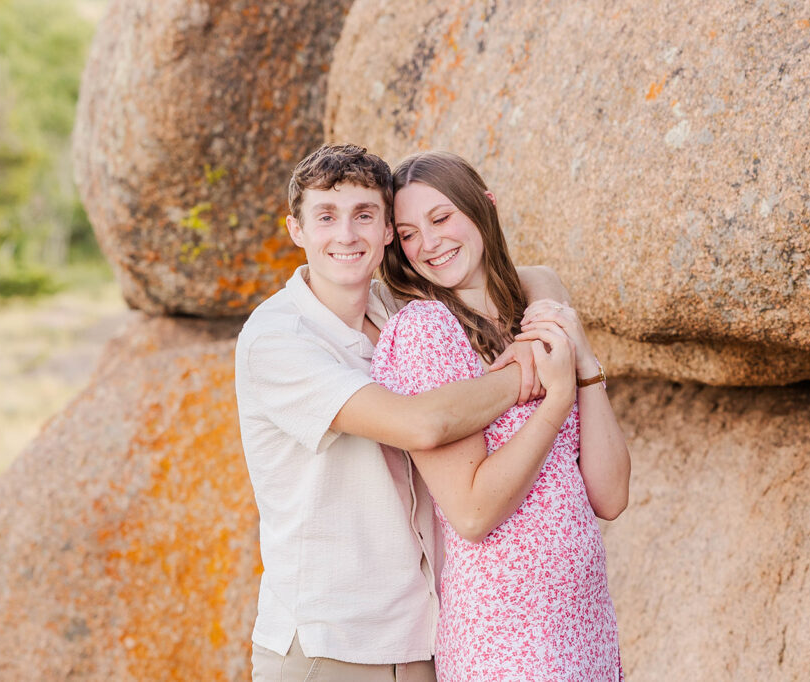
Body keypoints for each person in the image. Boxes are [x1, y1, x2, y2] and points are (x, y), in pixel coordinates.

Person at [235, 143, 570, 682]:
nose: (346, 235)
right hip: (332, 643)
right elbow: (422, 424)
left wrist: (551, 310)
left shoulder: (392, 307)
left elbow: (531, 276)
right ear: (297, 230)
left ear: (388, 230)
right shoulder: (277, 340)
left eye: (364, 216)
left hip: (422, 636)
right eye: (326, 217)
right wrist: (527, 374)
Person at [370, 151, 631, 681]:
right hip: (505, 636)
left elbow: (610, 496)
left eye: (442, 218)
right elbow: (471, 514)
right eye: (410, 233)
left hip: (585, 627)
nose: (431, 243)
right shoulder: (427, 332)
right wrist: (554, 404)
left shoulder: (535, 315)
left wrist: (583, 366)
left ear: (484, 207)